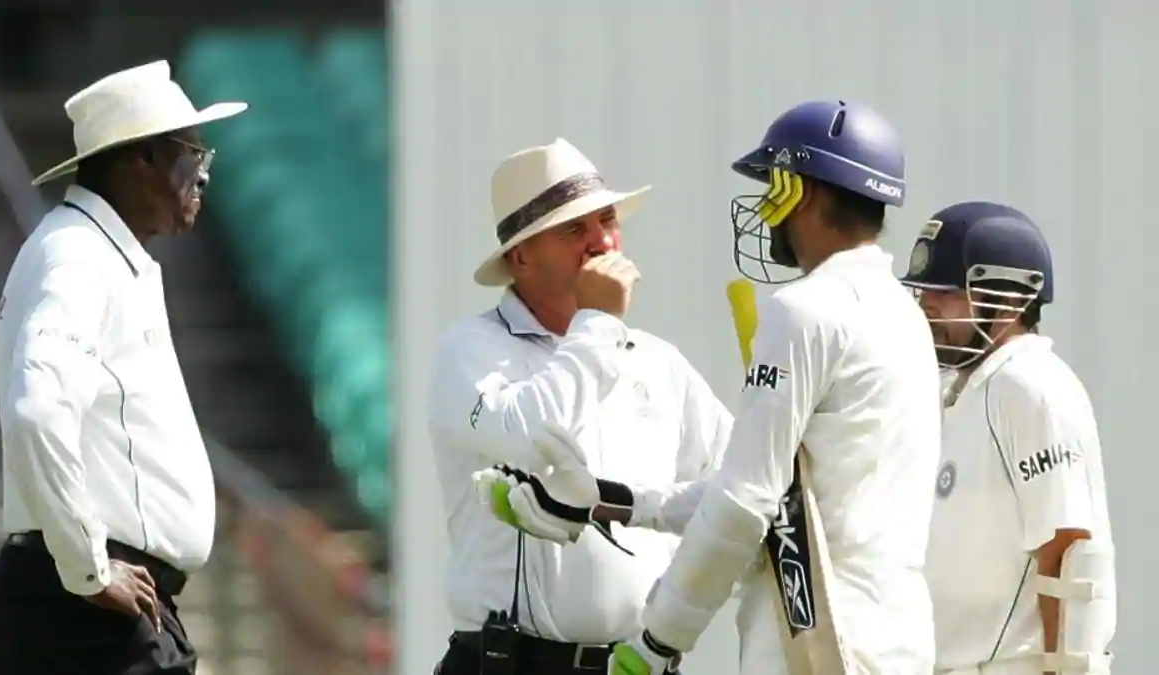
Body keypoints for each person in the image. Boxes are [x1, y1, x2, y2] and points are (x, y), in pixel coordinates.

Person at [479, 100, 942, 674]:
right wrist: (614, 502)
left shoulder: (805, 310)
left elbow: (747, 504)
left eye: (775, 184)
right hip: (896, 641)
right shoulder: (904, 313)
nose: (766, 208)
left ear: (810, 193)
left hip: (816, 644)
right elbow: (781, 491)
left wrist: (658, 640)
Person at [427, 137, 733, 675]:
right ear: (520, 256)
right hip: (508, 663)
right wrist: (599, 324)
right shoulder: (469, 350)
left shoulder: (660, 364)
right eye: (574, 229)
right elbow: (528, 436)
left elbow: (735, 486)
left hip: (640, 663)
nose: (601, 241)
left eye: (607, 220)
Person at [0, 60, 245, 675]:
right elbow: (36, 411)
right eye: (191, 150)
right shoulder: (77, 256)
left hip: (94, 605)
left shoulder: (92, 252)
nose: (204, 170)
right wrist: (90, 570)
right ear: (140, 160)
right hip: (85, 612)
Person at [901, 201, 1116, 675]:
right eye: (923, 290)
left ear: (1013, 299)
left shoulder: (1032, 386)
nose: (925, 305)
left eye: (947, 291)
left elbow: (1068, 551)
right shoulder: (958, 392)